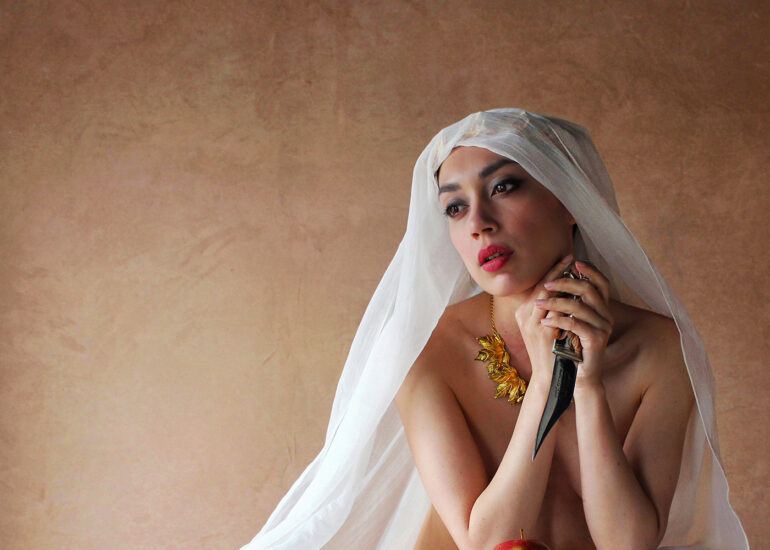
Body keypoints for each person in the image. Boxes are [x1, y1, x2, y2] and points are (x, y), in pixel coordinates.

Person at [242, 109, 748, 549]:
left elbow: (629, 543)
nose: (478, 222)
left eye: (503, 187)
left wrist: (586, 385)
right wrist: (549, 384)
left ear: (568, 198)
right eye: (455, 206)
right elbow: (487, 542)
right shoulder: (423, 350)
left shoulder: (659, 347)